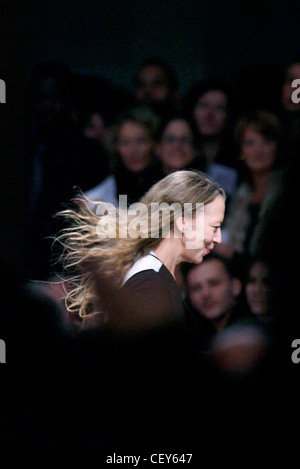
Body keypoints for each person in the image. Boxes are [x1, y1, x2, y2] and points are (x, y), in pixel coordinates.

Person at [55, 170, 225, 333]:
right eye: (214, 227)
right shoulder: (149, 284)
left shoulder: (154, 276)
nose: (218, 239)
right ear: (183, 223)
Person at [219, 109, 286, 258]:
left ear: (277, 147)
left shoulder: (287, 192)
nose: (258, 151)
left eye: (266, 142)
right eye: (250, 143)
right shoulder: (238, 193)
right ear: (241, 150)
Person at [84, 106, 161, 207]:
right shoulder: (97, 199)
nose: (133, 150)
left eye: (141, 141)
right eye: (125, 143)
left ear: (154, 143)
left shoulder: (170, 187)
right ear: (115, 146)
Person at [155, 114, 237, 198]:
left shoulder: (217, 186)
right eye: (171, 139)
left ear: (196, 149)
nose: (178, 146)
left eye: (185, 140)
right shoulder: (145, 188)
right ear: (158, 147)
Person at [183, 253, 242, 352]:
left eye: (214, 283)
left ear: (235, 286)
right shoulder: (189, 343)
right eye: (196, 288)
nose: (205, 294)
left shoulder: (258, 335)